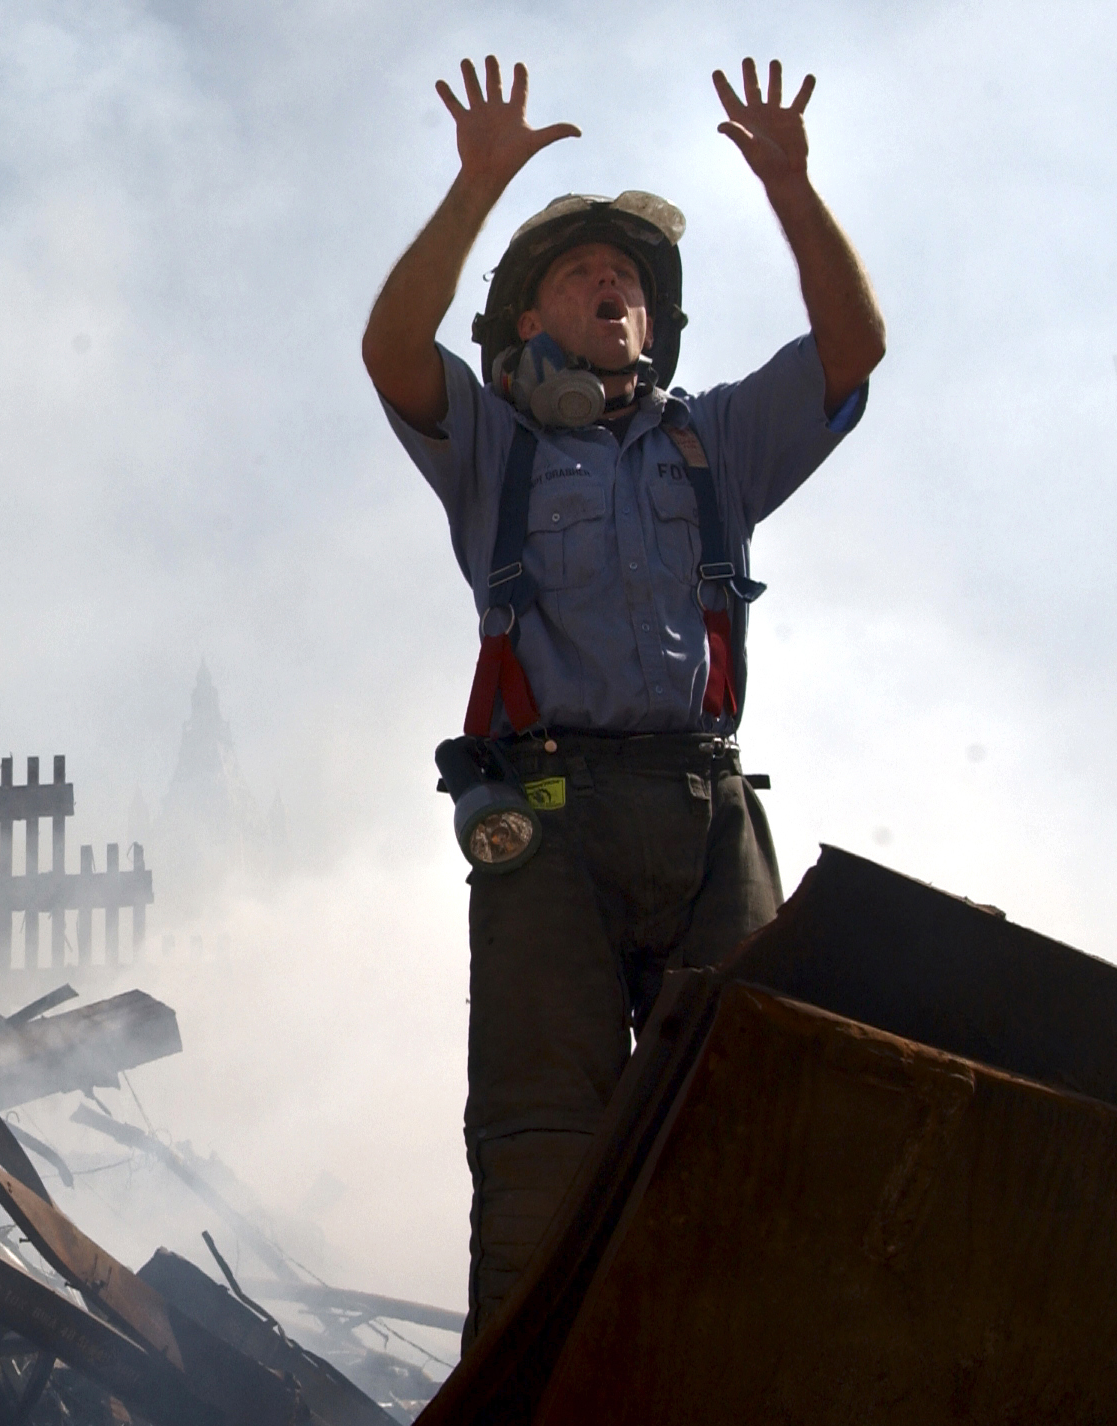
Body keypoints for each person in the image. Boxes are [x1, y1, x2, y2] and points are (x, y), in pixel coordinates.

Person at [361, 57, 883, 1338]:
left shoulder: (713, 442)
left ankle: (747, 1409)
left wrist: (794, 190)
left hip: (705, 814)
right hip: (549, 822)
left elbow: (853, 349)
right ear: (527, 322)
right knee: (544, 1153)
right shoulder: (494, 446)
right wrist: (477, 187)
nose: (618, 288)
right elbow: (390, 351)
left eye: (634, 284)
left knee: (757, 1118)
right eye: (586, 275)